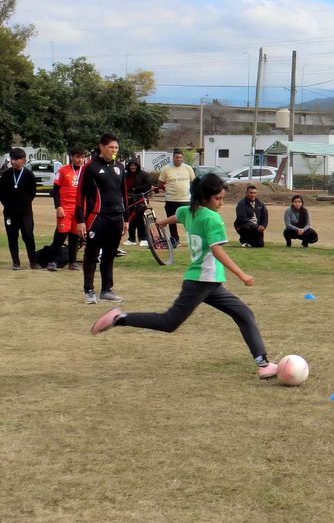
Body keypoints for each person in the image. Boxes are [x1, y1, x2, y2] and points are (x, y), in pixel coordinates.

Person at [90, 172, 280, 379]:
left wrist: (161, 223)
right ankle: (119, 318)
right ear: (204, 198)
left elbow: (178, 216)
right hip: (200, 282)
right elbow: (217, 250)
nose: (221, 203)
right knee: (169, 322)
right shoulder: (212, 218)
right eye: (218, 198)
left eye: (223, 198)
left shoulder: (188, 211)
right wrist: (242, 275)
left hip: (211, 283)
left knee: (244, 314)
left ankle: (262, 364)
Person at [77, 134, 128, 304]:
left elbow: (124, 194)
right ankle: (89, 290)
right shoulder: (90, 167)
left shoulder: (120, 166)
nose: (114, 150)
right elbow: (80, 195)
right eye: (111, 147)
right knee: (91, 254)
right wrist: (80, 220)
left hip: (116, 218)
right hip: (97, 217)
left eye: (116, 148)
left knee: (109, 254)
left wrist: (126, 218)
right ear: (101, 147)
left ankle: (107, 290)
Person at [0, 147, 39, 270]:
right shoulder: (5, 174)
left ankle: (33, 262)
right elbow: (2, 193)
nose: (14, 161)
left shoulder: (29, 175)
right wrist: (7, 204)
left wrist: (24, 203)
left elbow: (32, 193)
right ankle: (16, 262)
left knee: (28, 235)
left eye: (17, 159)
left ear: (23, 160)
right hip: (10, 213)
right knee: (12, 237)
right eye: (12, 159)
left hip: (25, 213)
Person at [49, 148, 87, 271]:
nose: (80, 159)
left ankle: (72, 262)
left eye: (82, 157)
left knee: (75, 236)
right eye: (77, 157)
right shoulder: (63, 170)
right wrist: (58, 206)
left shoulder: (87, 171)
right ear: (71, 157)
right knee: (61, 235)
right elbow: (55, 191)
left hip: (80, 208)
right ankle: (53, 261)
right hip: (65, 207)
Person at [156, 148, 195, 247]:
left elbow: (194, 182)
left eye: (180, 157)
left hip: (185, 200)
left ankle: (193, 239)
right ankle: (175, 240)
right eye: (176, 157)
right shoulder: (166, 169)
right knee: (171, 221)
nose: (178, 159)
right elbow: (160, 183)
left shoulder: (188, 168)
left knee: (188, 220)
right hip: (171, 199)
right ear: (173, 158)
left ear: (183, 158)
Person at [123, 160, 154, 247]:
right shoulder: (125, 175)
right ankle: (131, 239)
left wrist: (135, 189)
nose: (133, 167)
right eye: (131, 165)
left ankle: (143, 238)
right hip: (129, 200)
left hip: (140, 199)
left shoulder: (144, 174)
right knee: (130, 219)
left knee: (140, 219)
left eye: (135, 165)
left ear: (138, 166)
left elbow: (148, 185)